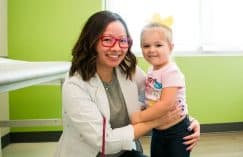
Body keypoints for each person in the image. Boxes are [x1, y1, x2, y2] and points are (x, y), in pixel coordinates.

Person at [54, 10, 200, 157]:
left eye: (122, 40)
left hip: (124, 152)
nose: (117, 48)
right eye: (107, 40)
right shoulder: (75, 85)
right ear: (92, 41)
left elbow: (157, 97)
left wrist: (185, 120)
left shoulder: (127, 68)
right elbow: (106, 143)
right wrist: (154, 122)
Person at [131, 23, 191, 157]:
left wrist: (140, 117)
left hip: (177, 130)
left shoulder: (171, 71)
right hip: (158, 129)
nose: (151, 50)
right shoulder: (152, 70)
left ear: (170, 47)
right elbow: (150, 96)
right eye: (146, 46)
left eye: (158, 45)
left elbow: (166, 104)